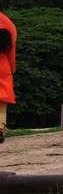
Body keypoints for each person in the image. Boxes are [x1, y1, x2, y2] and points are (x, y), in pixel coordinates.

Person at [0, 10, 16, 143]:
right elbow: (11, 50)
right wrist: (12, 68)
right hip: (3, 66)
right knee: (2, 103)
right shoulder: (8, 23)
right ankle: (0, 127)